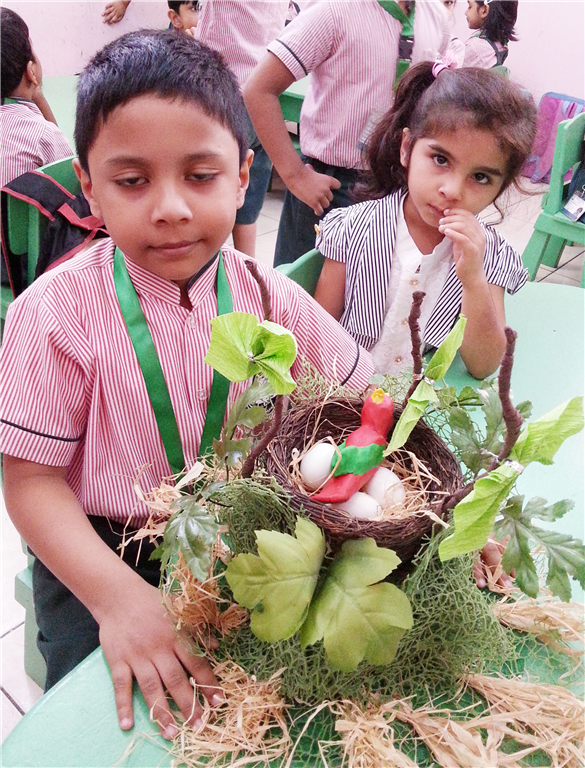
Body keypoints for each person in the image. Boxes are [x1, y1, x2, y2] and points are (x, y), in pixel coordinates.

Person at [0, 30, 374, 740]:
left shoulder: (269, 296)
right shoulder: (52, 314)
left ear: (242, 176)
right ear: (88, 185)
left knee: (269, 712)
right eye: (132, 181)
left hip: (235, 532)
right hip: (102, 551)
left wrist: (437, 500)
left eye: (200, 176)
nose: (170, 207)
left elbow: (365, 400)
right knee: (111, 723)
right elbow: (30, 484)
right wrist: (118, 600)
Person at [313, 61, 537, 381]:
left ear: (500, 187)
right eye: (440, 159)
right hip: (343, 394)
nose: (452, 190)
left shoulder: (489, 254)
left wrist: (473, 279)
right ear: (406, 148)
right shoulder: (352, 229)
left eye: (480, 177)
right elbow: (318, 336)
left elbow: (484, 365)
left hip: (425, 405)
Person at [243, 0, 451, 267]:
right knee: (303, 286)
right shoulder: (335, 10)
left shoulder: (435, 17)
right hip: (332, 189)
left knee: (373, 284)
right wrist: (294, 176)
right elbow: (258, 89)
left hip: (399, 187)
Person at [195, 0, 290, 258]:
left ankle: (204, 268)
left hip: (221, 94)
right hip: (264, 98)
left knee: (205, 188)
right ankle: (248, 268)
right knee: (249, 192)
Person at [0, 8, 72, 187]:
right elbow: (66, 171)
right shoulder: (42, 135)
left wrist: (36, 93)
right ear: (30, 69)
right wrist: (35, 89)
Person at [463, 0, 518, 68]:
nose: (466, 12)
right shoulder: (500, 44)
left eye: (470, 7)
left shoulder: (475, 48)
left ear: (484, 11)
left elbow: (452, 70)